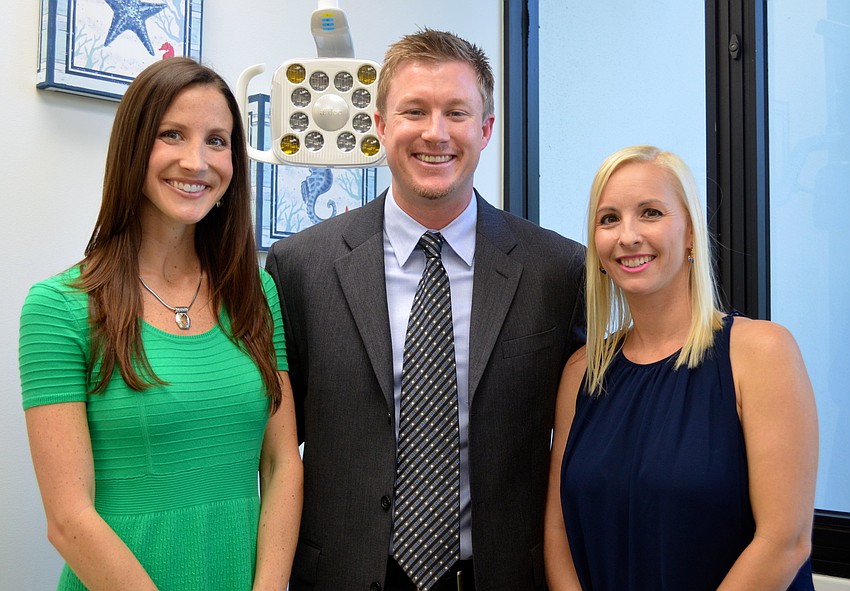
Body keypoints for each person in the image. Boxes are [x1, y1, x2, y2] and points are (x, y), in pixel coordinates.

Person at [264, 28, 585, 591]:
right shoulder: (300, 268)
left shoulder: (556, 272)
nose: (435, 133)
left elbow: (582, 444)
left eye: (457, 113)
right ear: (381, 126)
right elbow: (276, 446)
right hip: (341, 574)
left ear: (486, 129)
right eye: (414, 111)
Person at [19, 57, 303, 590]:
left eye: (218, 141)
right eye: (172, 134)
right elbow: (67, 520)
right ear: (133, 147)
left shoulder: (255, 295)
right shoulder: (58, 308)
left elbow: (281, 462)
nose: (197, 161)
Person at [543, 145, 818, 590]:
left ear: (691, 232)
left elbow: (784, 542)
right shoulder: (582, 371)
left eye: (650, 213)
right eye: (609, 218)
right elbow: (557, 533)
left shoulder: (762, 353)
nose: (628, 236)